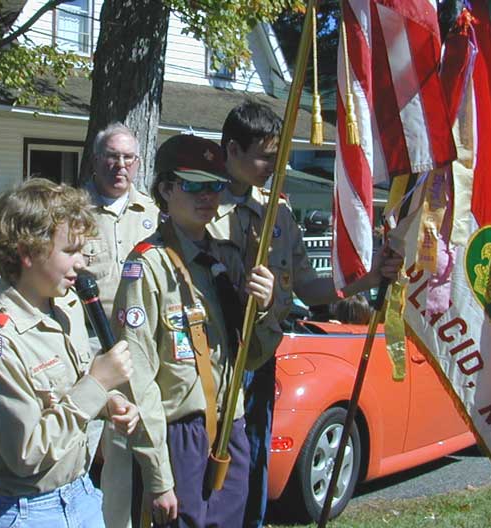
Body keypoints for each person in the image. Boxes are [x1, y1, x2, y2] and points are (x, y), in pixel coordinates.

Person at [207, 101, 402, 528]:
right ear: (232, 150)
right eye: (264, 156)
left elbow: (310, 288)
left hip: (259, 360)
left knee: (255, 462)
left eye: (278, 156)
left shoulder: (278, 213)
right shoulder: (199, 207)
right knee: (214, 470)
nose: (272, 166)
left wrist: (368, 279)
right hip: (212, 363)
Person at [106, 134, 276, 527]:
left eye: (215, 185)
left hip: (229, 429)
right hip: (178, 436)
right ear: (165, 189)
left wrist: (263, 311)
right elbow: (138, 380)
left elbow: (250, 355)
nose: (207, 196)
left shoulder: (227, 260)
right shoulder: (148, 267)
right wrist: (158, 475)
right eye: (194, 185)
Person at [0, 178, 139, 528]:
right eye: (70, 251)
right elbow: (26, 453)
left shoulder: (65, 306)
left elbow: (66, 394)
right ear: (28, 253)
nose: (80, 264)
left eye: (83, 251)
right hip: (24, 510)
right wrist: (97, 383)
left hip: (80, 492)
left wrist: (107, 402)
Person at [82, 122, 160, 492]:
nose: (120, 166)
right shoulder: (73, 211)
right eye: (112, 157)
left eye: (128, 158)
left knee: (131, 448)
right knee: (86, 447)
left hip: (139, 346)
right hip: (87, 347)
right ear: (96, 161)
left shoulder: (153, 212)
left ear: (138, 162)